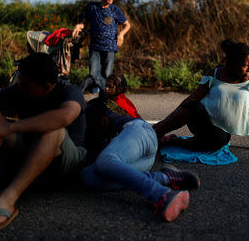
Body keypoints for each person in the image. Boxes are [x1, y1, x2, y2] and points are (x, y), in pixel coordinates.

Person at [0, 53, 87, 232]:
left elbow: (65, 116)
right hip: (32, 152)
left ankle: (8, 198)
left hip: (66, 161)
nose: (20, 86)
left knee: (53, 129)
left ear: (46, 87)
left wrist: (7, 129)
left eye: (25, 84)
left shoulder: (68, 90)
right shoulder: (22, 88)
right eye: (20, 81)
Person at [81, 74, 199, 221]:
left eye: (111, 85)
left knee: (105, 161)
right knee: (88, 176)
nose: (106, 88)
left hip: (136, 131)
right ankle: (165, 177)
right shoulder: (99, 106)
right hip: (137, 154)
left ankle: (162, 193)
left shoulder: (94, 105)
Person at [153, 39, 249, 152]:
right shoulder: (214, 74)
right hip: (201, 122)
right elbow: (193, 98)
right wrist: (164, 123)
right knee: (193, 105)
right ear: (232, 63)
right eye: (245, 65)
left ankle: (173, 141)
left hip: (221, 133)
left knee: (218, 141)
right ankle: (154, 133)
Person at [72, 0, 131, 94]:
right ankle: (107, 94)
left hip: (110, 47)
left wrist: (121, 35)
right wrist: (78, 26)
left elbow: (127, 25)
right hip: (95, 46)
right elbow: (84, 24)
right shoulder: (92, 7)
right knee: (93, 73)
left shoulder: (115, 10)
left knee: (107, 75)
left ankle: (99, 97)